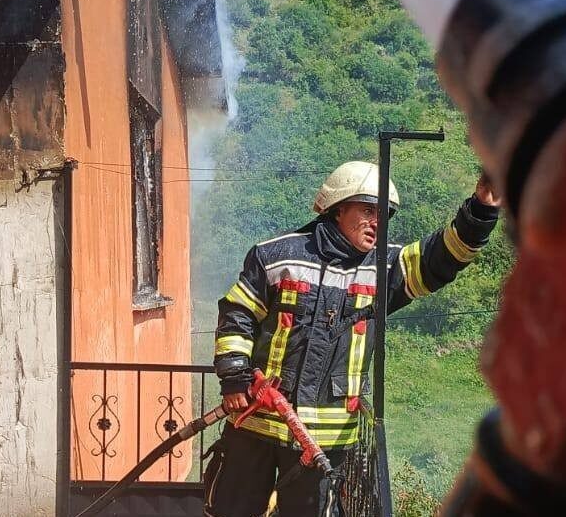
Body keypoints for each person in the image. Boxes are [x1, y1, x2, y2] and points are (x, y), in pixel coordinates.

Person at [205, 161, 502, 517]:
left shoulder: (385, 269)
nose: (378, 223)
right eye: (368, 211)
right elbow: (238, 314)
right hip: (257, 422)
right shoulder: (275, 257)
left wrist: (481, 209)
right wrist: (235, 377)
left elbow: (444, 256)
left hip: (324, 442)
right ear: (337, 209)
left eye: (384, 215)